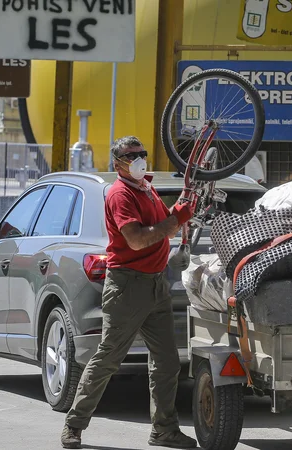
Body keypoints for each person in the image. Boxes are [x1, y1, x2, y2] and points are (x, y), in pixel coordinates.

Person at [61, 136, 196, 449]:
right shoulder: (120, 193)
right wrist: (177, 218)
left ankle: (163, 430)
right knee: (108, 358)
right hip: (127, 287)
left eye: (142, 153)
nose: (138, 158)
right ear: (116, 162)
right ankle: (73, 425)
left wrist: (181, 210)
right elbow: (136, 239)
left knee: (166, 362)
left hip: (154, 284)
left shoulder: (145, 187)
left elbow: (165, 223)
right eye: (130, 155)